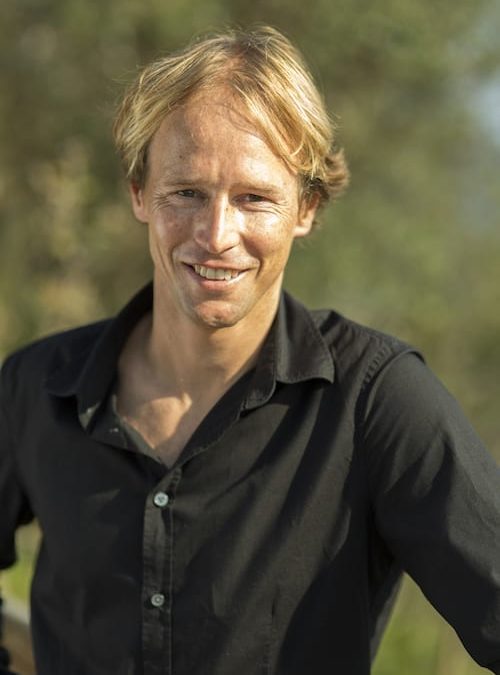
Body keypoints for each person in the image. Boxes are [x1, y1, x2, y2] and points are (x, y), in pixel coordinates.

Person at [0, 25, 499, 675]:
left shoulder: (377, 402)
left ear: (307, 208)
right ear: (138, 192)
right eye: (187, 193)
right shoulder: (34, 387)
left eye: (255, 198)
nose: (216, 234)